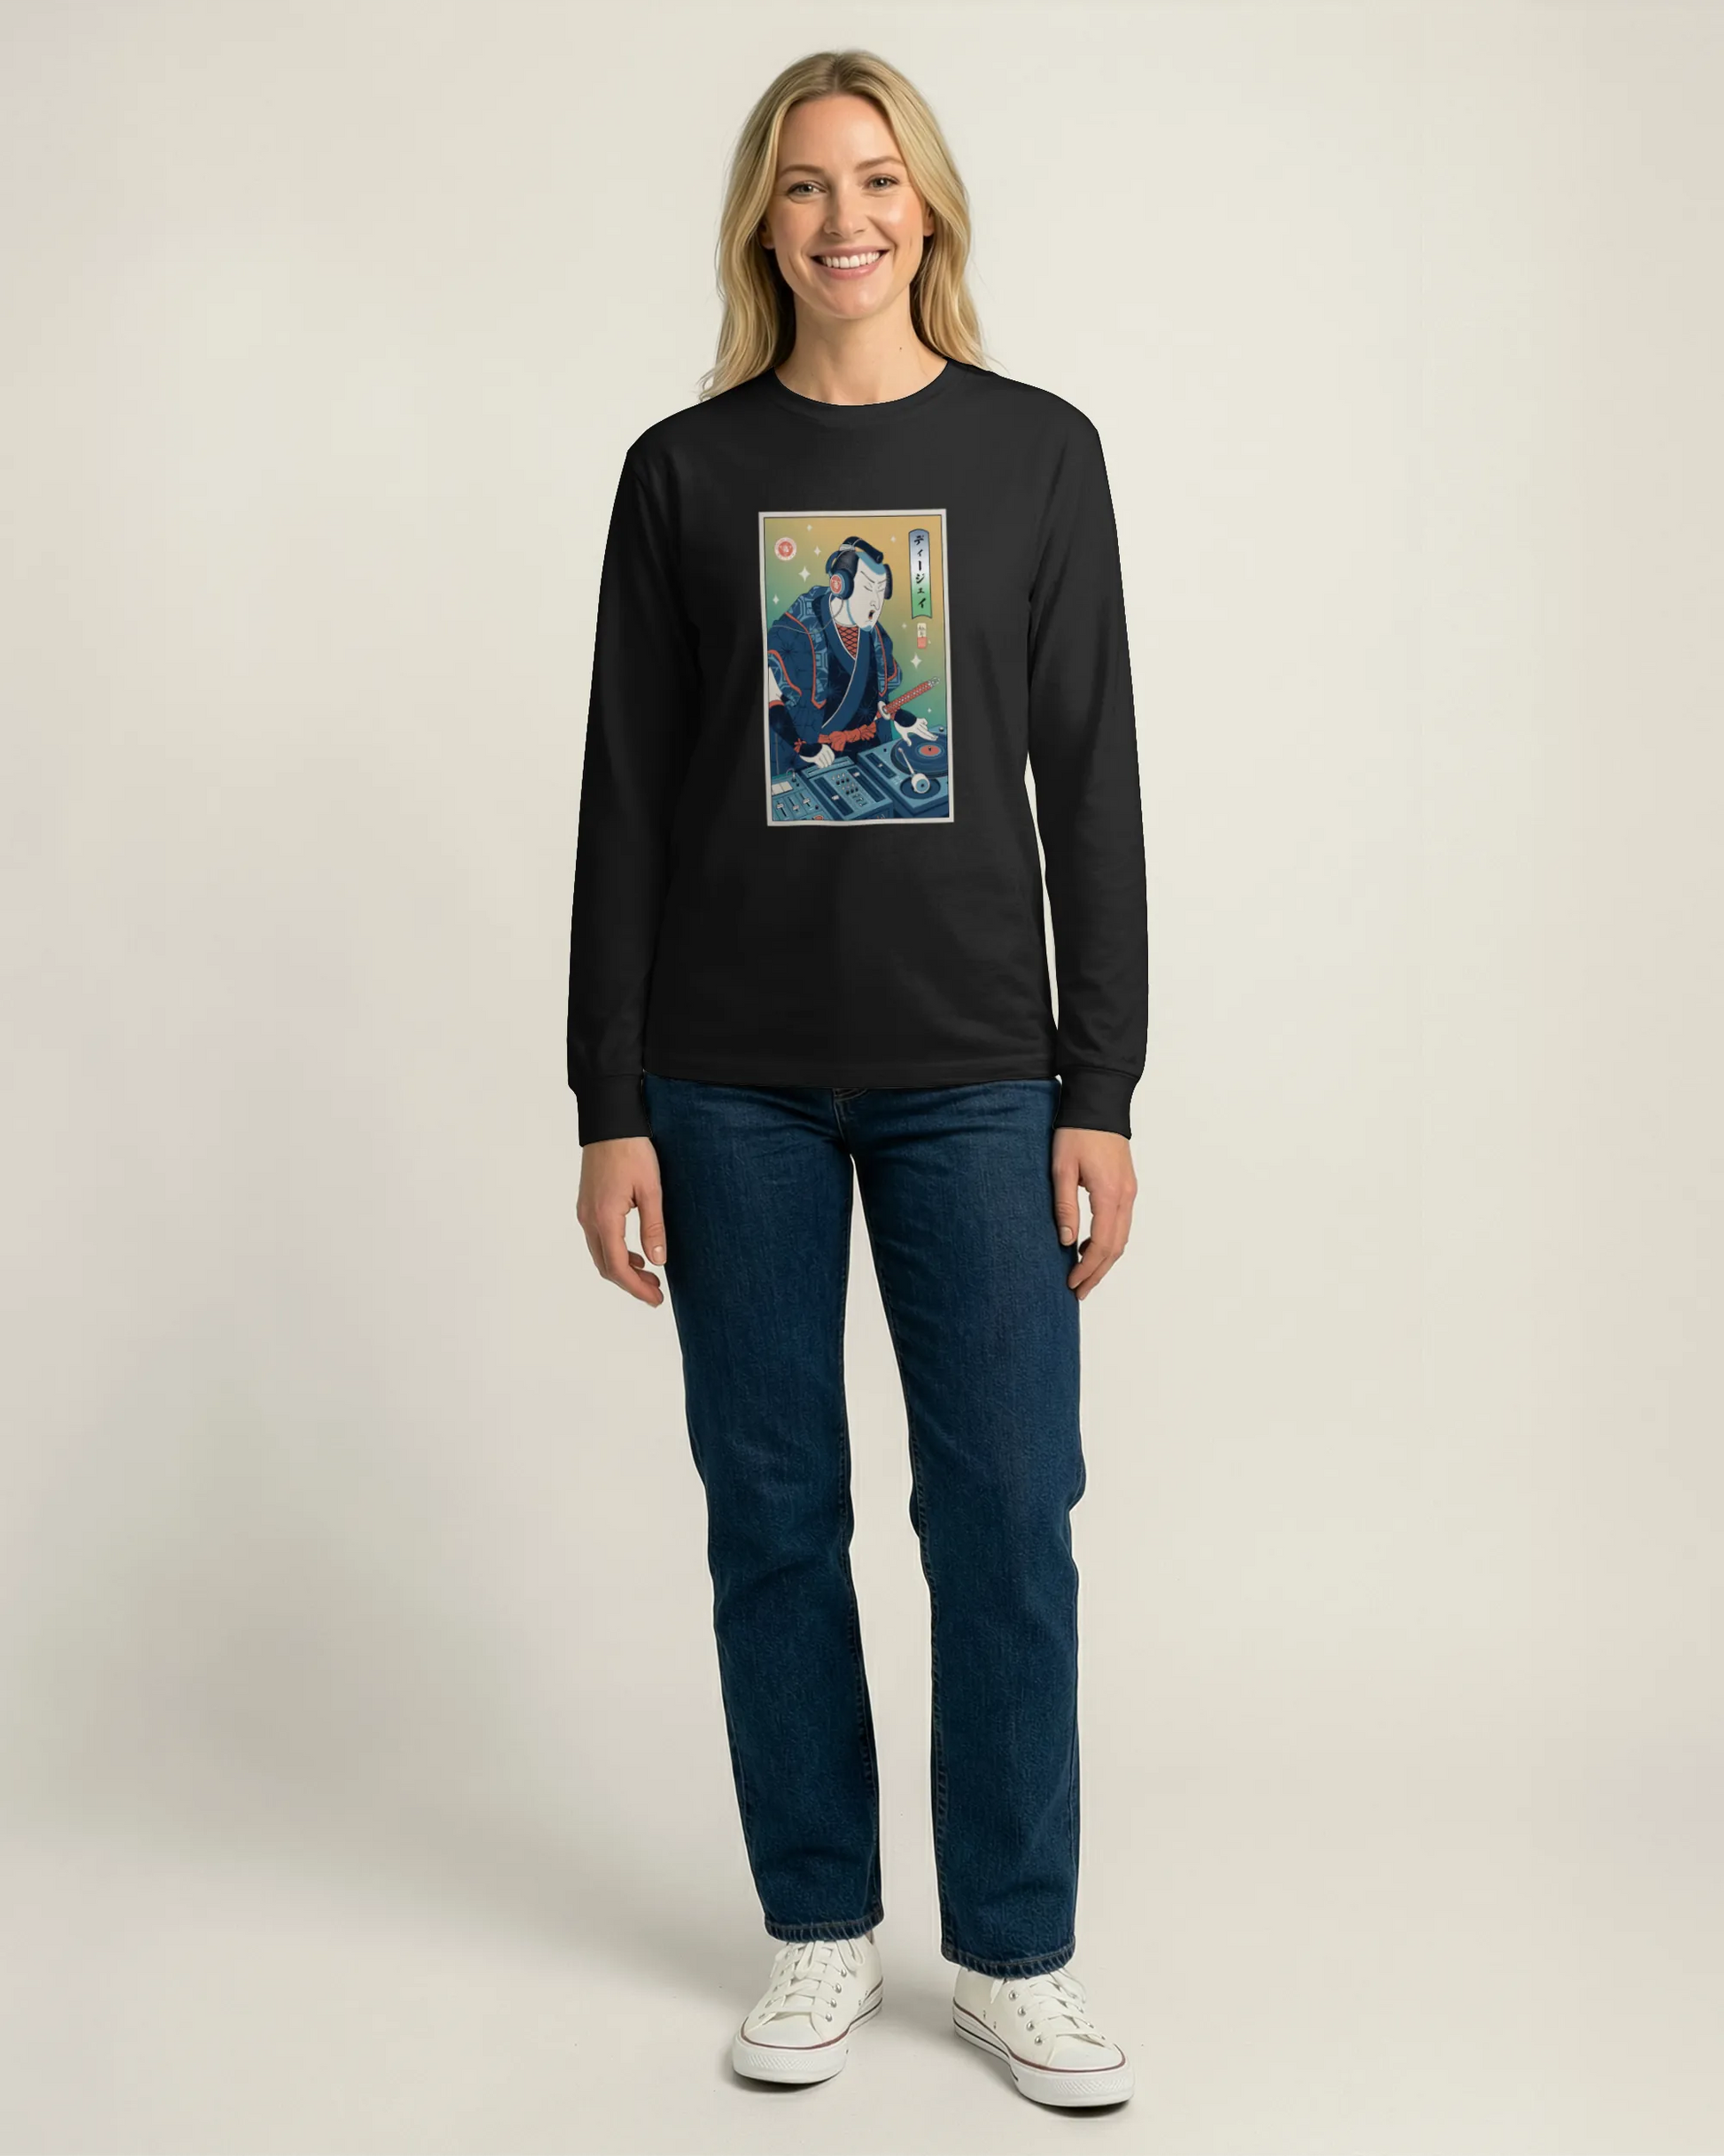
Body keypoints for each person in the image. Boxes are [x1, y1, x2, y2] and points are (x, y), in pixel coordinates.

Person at [566, 48, 1146, 2112]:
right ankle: (817, 1925)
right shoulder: (684, 473)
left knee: (1006, 1516)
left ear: (930, 211)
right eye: (806, 185)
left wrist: (1101, 1085)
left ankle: (1012, 1955)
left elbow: (1088, 779)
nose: (845, 219)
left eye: (878, 180)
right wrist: (608, 1103)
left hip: (976, 1073)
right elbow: (627, 800)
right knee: (775, 1512)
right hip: (725, 1080)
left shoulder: (1034, 455)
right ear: (763, 221)